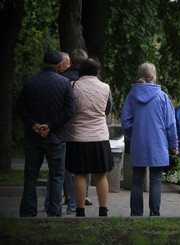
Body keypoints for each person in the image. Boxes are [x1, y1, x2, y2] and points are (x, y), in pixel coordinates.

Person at [16, 49, 75, 217]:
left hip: (33, 137)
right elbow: (69, 110)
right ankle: (54, 211)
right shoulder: (64, 83)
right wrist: (50, 126)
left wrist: (34, 125)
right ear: (59, 65)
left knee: (30, 176)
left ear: (43, 63)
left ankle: (28, 211)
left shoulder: (30, 82)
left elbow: (20, 108)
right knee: (56, 175)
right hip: (56, 138)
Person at [121, 62, 178, 216]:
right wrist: (174, 144)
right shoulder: (162, 97)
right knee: (156, 180)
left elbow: (126, 121)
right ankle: (154, 214)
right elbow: (170, 124)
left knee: (137, 180)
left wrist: (132, 136)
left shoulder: (132, 95)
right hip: (158, 143)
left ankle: (136, 214)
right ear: (154, 76)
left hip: (138, 143)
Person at [65, 58, 114, 217]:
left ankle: (80, 211)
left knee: (80, 174)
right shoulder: (105, 87)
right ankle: (103, 210)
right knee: (100, 174)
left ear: (80, 70)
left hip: (78, 136)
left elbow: (70, 109)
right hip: (99, 136)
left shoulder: (73, 86)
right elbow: (107, 109)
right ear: (98, 72)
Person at [61, 48, 94, 207]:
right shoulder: (92, 82)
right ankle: (84, 195)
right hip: (87, 129)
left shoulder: (62, 79)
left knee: (68, 164)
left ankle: (68, 195)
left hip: (65, 128)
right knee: (84, 164)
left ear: (71, 62)